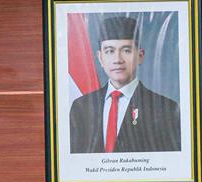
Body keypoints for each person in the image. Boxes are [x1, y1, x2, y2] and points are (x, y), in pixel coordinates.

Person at [68, 15, 180, 154]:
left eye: (126, 50)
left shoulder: (166, 109)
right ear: (100, 58)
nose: (117, 59)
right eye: (110, 51)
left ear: (140, 55)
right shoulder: (81, 107)